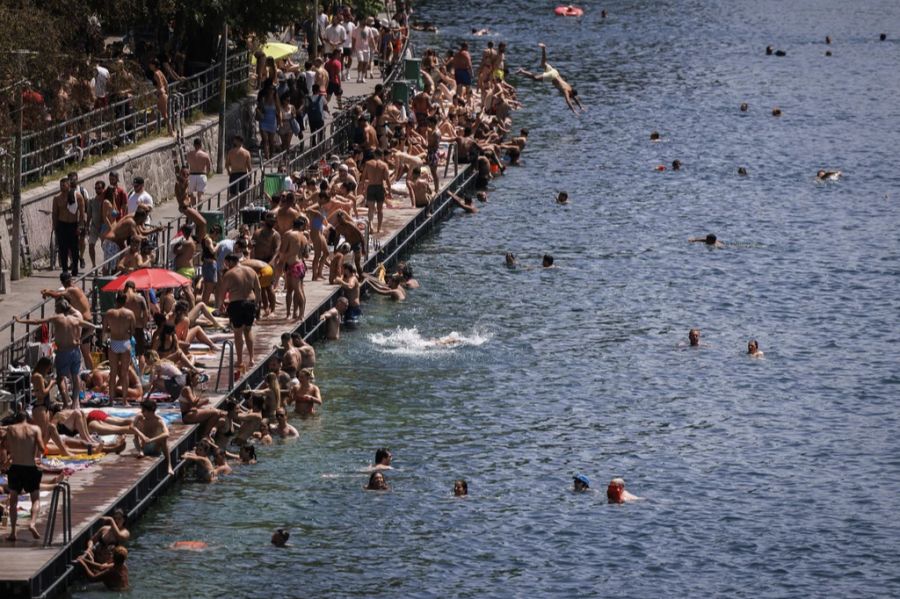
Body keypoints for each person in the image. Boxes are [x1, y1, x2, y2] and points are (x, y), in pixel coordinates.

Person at [16, 299, 96, 408]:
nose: (54, 310)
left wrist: (20, 321)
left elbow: (36, 321)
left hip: (63, 352)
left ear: (59, 309)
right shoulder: (75, 319)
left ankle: (66, 402)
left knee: (60, 378)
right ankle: (75, 402)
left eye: (56, 308)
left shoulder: (57, 318)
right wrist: (81, 339)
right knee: (75, 376)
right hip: (75, 350)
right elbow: (92, 327)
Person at [3, 411, 44, 540]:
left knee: (13, 500)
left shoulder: (11, 429)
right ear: (28, 418)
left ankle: (13, 532)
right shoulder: (35, 428)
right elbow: (42, 448)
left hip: (15, 467)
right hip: (30, 466)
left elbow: (4, 445)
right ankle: (32, 523)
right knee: (35, 499)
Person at [42, 270, 94, 370]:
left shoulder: (71, 290)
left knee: (85, 352)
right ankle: (89, 373)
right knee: (85, 352)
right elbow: (59, 293)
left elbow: (58, 295)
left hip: (86, 324)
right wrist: (48, 291)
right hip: (86, 322)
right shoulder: (76, 288)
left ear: (64, 282)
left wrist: (47, 292)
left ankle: (92, 374)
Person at [217, 253, 262, 368]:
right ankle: (251, 359)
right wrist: (256, 304)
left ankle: (240, 360)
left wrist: (220, 305)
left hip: (236, 304)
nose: (226, 266)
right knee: (248, 330)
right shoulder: (251, 271)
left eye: (227, 264)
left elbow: (222, 291)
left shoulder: (229, 274)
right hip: (250, 303)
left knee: (238, 333)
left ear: (231, 262)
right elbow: (258, 289)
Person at [517, 43, 584, 114]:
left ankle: (543, 48)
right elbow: (568, 100)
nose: (571, 98)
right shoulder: (566, 91)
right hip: (552, 76)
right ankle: (522, 71)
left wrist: (580, 107)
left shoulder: (570, 88)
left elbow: (574, 97)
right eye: (571, 96)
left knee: (543, 63)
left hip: (555, 72)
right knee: (535, 78)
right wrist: (574, 110)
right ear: (571, 93)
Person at [103, 292, 136, 405]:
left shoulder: (109, 313)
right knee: (125, 372)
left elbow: (104, 330)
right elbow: (132, 331)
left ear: (116, 301)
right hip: (125, 342)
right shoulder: (130, 314)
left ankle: (111, 400)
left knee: (113, 372)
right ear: (125, 302)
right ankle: (124, 401)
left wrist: (113, 330)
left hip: (114, 341)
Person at [277, 217, 309, 320]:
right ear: (301, 226)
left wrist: (280, 262)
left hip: (291, 265)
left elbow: (282, 251)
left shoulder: (288, 235)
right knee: (298, 290)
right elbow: (306, 254)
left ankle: (290, 314)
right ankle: (298, 313)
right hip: (300, 265)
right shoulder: (304, 237)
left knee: (291, 291)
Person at [53, 177, 84, 276]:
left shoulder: (77, 196)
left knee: (74, 248)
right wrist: (55, 226)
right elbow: (55, 214)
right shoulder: (57, 198)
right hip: (62, 225)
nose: (62, 187)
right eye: (61, 185)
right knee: (63, 249)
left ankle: (75, 268)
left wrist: (80, 226)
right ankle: (65, 270)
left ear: (69, 185)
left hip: (73, 224)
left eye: (64, 185)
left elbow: (82, 213)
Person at [133, 398, 173, 476]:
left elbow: (167, 434)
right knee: (136, 426)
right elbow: (131, 427)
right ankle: (140, 451)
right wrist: (143, 436)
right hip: (143, 446)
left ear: (150, 411)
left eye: (143, 410)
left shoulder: (159, 420)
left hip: (154, 446)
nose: (142, 412)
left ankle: (169, 465)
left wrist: (151, 440)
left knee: (164, 439)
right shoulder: (141, 417)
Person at [358, 149, 391, 234]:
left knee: (371, 209)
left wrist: (361, 187)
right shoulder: (384, 165)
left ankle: (371, 225)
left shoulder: (368, 164)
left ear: (374, 155)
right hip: (380, 187)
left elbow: (363, 177)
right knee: (380, 210)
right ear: (381, 155)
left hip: (371, 187)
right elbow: (387, 179)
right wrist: (389, 191)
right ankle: (379, 229)